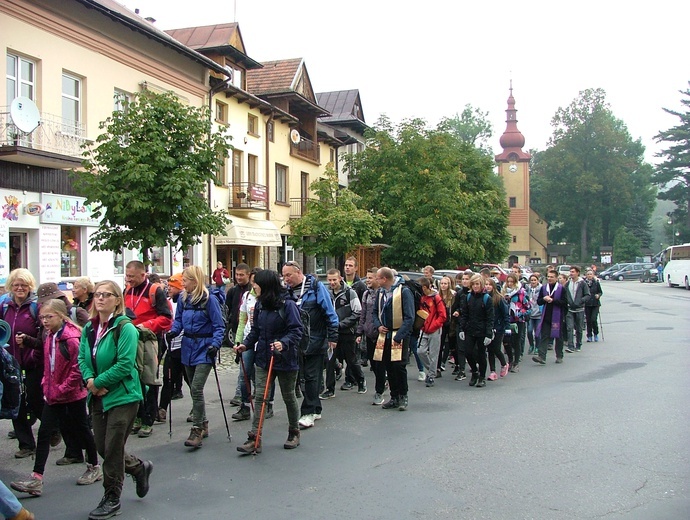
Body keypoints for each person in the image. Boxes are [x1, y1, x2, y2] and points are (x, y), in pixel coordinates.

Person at [10, 300, 102, 498]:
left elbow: (78, 368)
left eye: (49, 317)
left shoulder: (71, 338)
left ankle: (94, 466)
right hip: (53, 394)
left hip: (72, 394)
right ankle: (36, 478)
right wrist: (46, 384)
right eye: (42, 317)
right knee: (44, 433)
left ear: (61, 316)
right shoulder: (50, 336)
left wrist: (62, 388)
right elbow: (47, 363)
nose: (44, 321)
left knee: (83, 429)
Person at [78, 280, 153, 520]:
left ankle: (111, 497)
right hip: (97, 395)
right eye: (98, 294)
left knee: (111, 449)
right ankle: (138, 468)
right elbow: (82, 358)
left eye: (107, 295)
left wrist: (98, 383)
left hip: (122, 395)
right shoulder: (89, 328)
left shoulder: (125, 328)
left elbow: (125, 363)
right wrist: (90, 380)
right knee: (103, 446)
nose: (100, 298)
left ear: (117, 300)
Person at [235, 270, 304, 453]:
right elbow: (256, 331)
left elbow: (297, 330)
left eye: (256, 283)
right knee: (260, 397)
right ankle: (254, 438)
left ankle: (294, 431)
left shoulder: (287, 305)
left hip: (285, 357)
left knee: (288, 395)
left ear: (265, 285)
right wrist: (245, 345)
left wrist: (284, 343)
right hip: (264, 357)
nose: (253, 286)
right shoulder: (259, 305)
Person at [168, 266, 225, 449]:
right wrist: (173, 332)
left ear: (195, 280)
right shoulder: (184, 299)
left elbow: (219, 325)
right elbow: (178, 320)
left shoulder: (210, 300)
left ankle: (197, 428)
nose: (182, 283)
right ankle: (204, 422)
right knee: (193, 386)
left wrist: (215, 344)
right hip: (187, 347)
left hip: (204, 347)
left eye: (185, 280)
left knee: (197, 388)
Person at [282, 260, 338, 429]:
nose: (286, 279)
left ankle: (308, 412)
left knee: (311, 376)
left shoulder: (315, 287)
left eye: (288, 275)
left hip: (316, 339)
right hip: (296, 342)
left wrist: (333, 336)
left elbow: (330, 312)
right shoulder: (287, 292)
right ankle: (316, 408)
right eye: (284, 276)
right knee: (301, 377)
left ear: (298, 273)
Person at [124, 261, 173, 438]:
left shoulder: (154, 291)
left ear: (143, 275)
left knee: (148, 379)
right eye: (127, 276)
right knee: (133, 378)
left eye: (132, 277)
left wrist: (145, 326)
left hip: (150, 341)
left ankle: (148, 419)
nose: (128, 280)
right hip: (131, 340)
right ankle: (137, 416)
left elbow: (167, 319)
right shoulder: (128, 290)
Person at [2, 269, 43, 459]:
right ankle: (26, 444)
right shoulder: (4, 305)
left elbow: (44, 334)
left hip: (32, 361)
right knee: (16, 403)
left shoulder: (36, 307)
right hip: (10, 363)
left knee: (35, 399)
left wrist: (28, 341)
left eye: (24, 285)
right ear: (11, 286)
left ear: (30, 287)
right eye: (16, 285)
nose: (20, 288)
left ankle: (55, 428)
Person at [373, 267, 414, 410]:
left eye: (377, 278)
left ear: (384, 279)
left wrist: (400, 336)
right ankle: (394, 396)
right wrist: (378, 325)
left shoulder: (403, 292)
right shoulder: (380, 293)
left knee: (399, 366)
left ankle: (403, 395)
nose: (376, 280)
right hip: (385, 334)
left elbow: (410, 317)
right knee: (388, 365)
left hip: (399, 333)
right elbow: (374, 312)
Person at [321, 269, 364, 399]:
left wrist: (341, 324)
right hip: (332, 333)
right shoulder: (327, 294)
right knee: (330, 360)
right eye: (329, 280)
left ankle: (360, 381)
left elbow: (357, 312)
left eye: (334, 279)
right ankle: (330, 389)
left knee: (351, 360)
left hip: (347, 333)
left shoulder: (350, 293)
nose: (332, 282)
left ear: (340, 278)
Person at [232, 267, 266, 421]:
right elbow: (242, 320)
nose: (254, 285)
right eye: (252, 282)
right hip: (248, 338)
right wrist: (238, 341)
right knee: (244, 373)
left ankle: (266, 404)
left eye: (256, 282)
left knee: (261, 375)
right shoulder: (248, 296)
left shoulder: (266, 297)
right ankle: (244, 406)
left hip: (263, 340)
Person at [158, 273, 188, 421]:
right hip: (171, 346)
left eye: (172, 286)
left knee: (191, 380)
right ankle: (162, 409)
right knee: (168, 379)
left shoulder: (185, 301)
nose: (169, 289)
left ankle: (197, 409)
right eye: (169, 286)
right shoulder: (168, 302)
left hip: (185, 347)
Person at [357, 267, 385, 405]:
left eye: (370, 278)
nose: (367, 280)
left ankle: (379, 391)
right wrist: (359, 331)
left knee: (379, 364)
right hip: (369, 334)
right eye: (366, 277)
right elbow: (363, 314)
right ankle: (382, 381)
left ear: (378, 280)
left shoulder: (382, 294)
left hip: (380, 334)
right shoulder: (366, 294)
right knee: (373, 363)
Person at [459, 274, 494, 387]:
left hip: (482, 330)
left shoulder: (486, 298)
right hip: (470, 329)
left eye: (477, 284)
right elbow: (464, 314)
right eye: (473, 284)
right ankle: (474, 372)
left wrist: (489, 334)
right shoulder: (468, 297)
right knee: (468, 352)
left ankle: (482, 377)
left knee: (481, 354)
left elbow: (490, 317)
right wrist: (461, 329)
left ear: (481, 285)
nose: (475, 286)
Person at [416, 276, 446, 387]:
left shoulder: (436, 298)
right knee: (420, 351)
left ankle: (431, 376)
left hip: (434, 329)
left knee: (434, 354)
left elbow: (443, 316)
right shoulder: (422, 298)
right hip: (424, 329)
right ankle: (432, 370)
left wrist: (434, 325)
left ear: (424, 287)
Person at [533, 269, 568, 364]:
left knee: (558, 337)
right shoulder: (544, 288)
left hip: (557, 316)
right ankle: (541, 356)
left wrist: (553, 300)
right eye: (548, 277)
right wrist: (544, 299)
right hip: (546, 316)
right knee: (544, 336)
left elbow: (565, 303)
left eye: (552, 277)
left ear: (556, 278)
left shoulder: (561, 289)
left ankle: (559, 356)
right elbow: (539, 301)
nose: (549, 278)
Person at [502, 274, 530, 373]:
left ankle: (516, 363)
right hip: (507, 320)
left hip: (518, 320)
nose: (509, 284)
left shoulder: (521, 292)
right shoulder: (503, 291)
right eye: (508, 282)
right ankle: (510, 360)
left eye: (511, 282)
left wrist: (520, 313)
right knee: (507, 341)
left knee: (516, 341)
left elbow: (527, 306)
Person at [485, 277, 509, 380]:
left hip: (498, 328)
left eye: (490, 284)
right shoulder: (485, 297)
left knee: (495, 348)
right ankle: (492, 371)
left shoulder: (499, 298)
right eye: (486, 284)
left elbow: (505, 314)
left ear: (493, 286)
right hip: (488, 328)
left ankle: (504, 364)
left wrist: (507, 327)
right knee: (490, 349)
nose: (488, 286)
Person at [451, 270, 472, 380]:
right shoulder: (459, 293)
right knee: (461, 347)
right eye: (463, 279)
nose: (464, 281)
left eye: (467, 279)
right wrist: (457, 312)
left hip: (473, 324)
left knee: (471, 348)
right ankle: (461, 370)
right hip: (461, 323)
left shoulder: (474, 293)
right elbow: (455, 307)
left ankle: (475, 367)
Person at [564, 266, 590, 353]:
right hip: (570, 309)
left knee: (579, 328)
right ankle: (570, 346)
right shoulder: (568, 283)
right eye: (570, 272)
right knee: (569, 328)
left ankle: (578, 344)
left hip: (580, 309)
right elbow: (564, 294)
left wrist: (581, 301)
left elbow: (587, 295)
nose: (571, 273)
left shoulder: (582, 283)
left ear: (578, 273)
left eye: (573, 272)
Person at [436, 276, 456, 375]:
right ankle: (438, 367)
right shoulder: (437, 295)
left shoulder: (453, 295)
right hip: (441, 323)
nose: (443, 285)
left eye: (445, 283)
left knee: (453, 344)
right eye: (442, 283)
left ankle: (457, 365)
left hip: (451, 323)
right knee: (439, 345)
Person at [525, 274, 543, 354]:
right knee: (529, 331)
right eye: (531, 280)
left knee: (537, 333)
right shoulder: (527, 289)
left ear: (537, 281)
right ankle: (531, 345)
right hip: (530, 314)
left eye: (535, 280)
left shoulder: (541, 289)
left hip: (538, 314)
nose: (533, 282)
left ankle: (537, 347)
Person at [584, 269, 603, 342]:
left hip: (595, 304)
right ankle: (589, 335)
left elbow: (600, 292)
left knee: (593, 319)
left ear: (593, 275)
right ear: (586, 275)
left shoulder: (596, 283)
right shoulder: (584, 283)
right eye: (588, 274)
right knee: (588, 320)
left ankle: (595, 333)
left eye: (590, 274)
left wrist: (598, 295)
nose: (589, 275)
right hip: (587, 304)